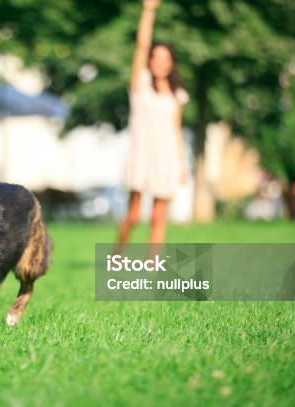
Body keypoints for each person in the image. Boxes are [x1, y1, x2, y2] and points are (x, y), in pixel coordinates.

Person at [117, 0, 189, 248]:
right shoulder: (140, 85)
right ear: (149, 61)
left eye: (165, 59)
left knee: (159, 216)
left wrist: (181, 163)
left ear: (171, 63)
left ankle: (152, 266)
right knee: (134, 215)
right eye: (156, 58)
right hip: (142, 155)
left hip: (166, 157)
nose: (160, 62)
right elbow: (141, 44)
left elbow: (176, 130)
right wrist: (149, 11)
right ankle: (118, 255)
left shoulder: (175, 94)